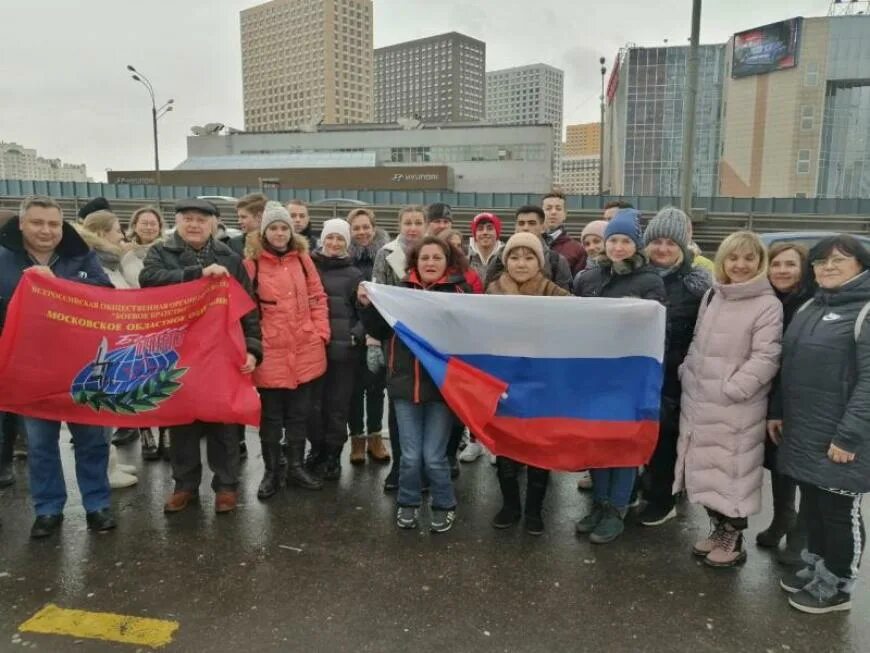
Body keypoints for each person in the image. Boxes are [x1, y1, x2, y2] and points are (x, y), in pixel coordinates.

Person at [0, 196, 116, 538]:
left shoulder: (81, 256)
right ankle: (48, 509)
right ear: (22, 223)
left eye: (53, 224)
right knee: (39, 444)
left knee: (92, 440)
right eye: (37, 223)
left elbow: (105, 295)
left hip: (80, 367)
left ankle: (97, 504)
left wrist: (57, 285)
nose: (46, 231)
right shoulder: (3, 259)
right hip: (29, 370)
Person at [140, 198, 262, 514]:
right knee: (183, 422)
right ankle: (184, 486)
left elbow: (248, 307)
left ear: (213, 224)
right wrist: (197, 273)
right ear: (177, 222)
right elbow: (149, 280)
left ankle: (226, 486)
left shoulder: (230, 258)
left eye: (201, 219)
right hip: (178, 352)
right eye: (188, 218)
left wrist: (252, 348)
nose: (194, 224)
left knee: (224, 422)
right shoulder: (160, 252)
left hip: (221, 352)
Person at [773, 235, 870, 614]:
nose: (827, 268)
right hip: (806, 428)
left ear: (860, 266)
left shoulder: (864, 312)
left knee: (839, 511)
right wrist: (778, 411)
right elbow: (789, 366)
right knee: (813, 504)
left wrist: (848, 436)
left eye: (838, 260)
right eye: (820, 262)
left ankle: (839, 585)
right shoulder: (811, 305)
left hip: (845, 436)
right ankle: (817, 565)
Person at [675, 231, 782, 567]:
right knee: (706, 469)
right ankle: (718, 526)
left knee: (732, 472)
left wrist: (735, 389)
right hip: (698, 399)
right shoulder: (713, 295)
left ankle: (733, 537)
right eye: (733, 257)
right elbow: (697, 340)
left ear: (759, 262)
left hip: (736, 405)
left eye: (749, 258)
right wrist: (687, 370)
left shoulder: (767, 303)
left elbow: (766, 357)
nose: (740, 265)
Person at [358, 236, 473, 533]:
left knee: (434, 457)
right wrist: (367, 305)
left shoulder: (462, 293)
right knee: (409, 456)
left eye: (437, 257)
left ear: (448, 262)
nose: (431, 263)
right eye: (425, 258)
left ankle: (444, 504)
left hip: (442, 390)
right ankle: (407, 503)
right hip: (405, 388)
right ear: (415, 263)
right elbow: (377, 329)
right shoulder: (399, 293)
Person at [573, 209, 666, 544]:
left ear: (636, 245)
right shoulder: (587, 279)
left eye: (626, 240)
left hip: (629, 377)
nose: (618, 246)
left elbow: (656, 331)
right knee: (596, 440)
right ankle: (599, 503)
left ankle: (617, 508)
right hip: (594, 373)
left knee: (623, 443)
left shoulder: (650, 281)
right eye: (613, 240)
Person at [486, 232, 570, 534]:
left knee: (539, 447)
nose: (521, 263)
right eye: (515, 256)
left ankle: (534, 509)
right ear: (505, 260)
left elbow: (584, 325)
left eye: (529, 256)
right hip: (504, 382)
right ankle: (510, 505)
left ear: (540, 262)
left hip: (542, 382)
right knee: (505, 446)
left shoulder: (556, 294)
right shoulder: (490, 292)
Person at [244, 202, 329, 498]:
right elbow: (247, 309)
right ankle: (271, 471)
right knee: (270, 416)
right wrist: (254, 345)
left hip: (304, 346)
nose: (280, 233)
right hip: (271, 349)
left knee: (299, 414)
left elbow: (317, 296)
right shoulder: (252, 264)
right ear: (264, 231)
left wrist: (320, 333)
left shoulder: (303, 259)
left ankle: (295, 466)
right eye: (274, 228)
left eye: (284, 228)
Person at [638, 207, 712, 526]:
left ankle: (664, 498)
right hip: (641, 373)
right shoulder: (636, 278)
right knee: (644, 434)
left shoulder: (697, 287)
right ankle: (647, 485)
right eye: (657, 241)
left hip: (677, 376)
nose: (663, 249)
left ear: (683, 247)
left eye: (671, 242)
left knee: (668, 437)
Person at [77, 210, 142, 489]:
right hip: (100, 347)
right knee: (100, 409)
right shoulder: (96, 265)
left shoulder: (111, 262)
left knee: (109, 408)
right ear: (102, 233)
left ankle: (110, 461)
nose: (122, 236)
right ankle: (104, 469)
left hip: (115, 343)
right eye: (118, 230)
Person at [759, 242, 810, 564]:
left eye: (789, 264)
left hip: (800, 397)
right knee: (779, 464)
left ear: (804, 269)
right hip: (771, 393)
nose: (781, 270)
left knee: (803, 468)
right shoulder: (770, 300)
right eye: (775, 264)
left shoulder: (809, 304)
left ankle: (800, 535)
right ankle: (783, 518)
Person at [372, 205, 427, 490]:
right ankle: (400, 466)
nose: (413, 227)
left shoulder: (433, 251)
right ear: (400, 225)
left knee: (430, 403)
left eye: (418, 222)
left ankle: (429, 466)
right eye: (408, 222)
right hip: (397, 339)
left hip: (429, 339)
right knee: (398, 405)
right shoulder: (386, 254)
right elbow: (379, 292)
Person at [307, 219, 364, 479]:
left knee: (338, 406)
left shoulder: (354, 274)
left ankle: (333, 455)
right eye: (330, 237)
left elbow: (365, 312)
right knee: (312, 406)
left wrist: (355, 335)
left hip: (343, 353)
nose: (334, 243)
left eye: (340, 239)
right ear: (322, 239)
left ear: (347, 243)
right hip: (312, 349)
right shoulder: (308, 267)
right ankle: (316, 449)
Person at [121, 206, 169, 461]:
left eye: (153, 223)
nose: (149, 227)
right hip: (133, 324)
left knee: (164, 375)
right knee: (137, 380)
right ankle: (145, 432)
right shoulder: (123, 253)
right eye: (144, 223)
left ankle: (165, 429)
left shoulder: (169, 251)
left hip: (164, 322)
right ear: (135, 225)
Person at [346, 208, 391, 465]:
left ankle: (375, 437)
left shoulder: (385, 257)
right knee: (354, 391)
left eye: (366, 227)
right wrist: (358, 331)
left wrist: (373, 331)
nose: (362, 232)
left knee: (376, 389)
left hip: (378, 332)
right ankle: (357, 440)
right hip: (353, 334)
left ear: (374, 228)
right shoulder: (345, 258)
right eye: (356, 228)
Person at [485, 206, 572, 291]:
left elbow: (564, 302)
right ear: (515, 227)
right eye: (521, 223)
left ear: (542, 228)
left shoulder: (556, 261)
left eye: (532, 223)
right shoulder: (498, 259)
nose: (525, 228)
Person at [542, 191, 586, 275]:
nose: (553, 212)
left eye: (558, 209)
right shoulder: (531, 244)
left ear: (565, 214)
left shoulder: (577, 249)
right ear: (540, 213)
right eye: (548, 208)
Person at [467, 212, 503, 282]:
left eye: (490, 228)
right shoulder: (464, 256)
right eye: (480, 229)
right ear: (475, 234)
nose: (485, 232)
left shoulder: (506, 257)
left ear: (497, 232)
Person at [230, 193, 268, 257]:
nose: (239, 221)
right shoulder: (234, 244)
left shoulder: (275, 243)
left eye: (243, 217)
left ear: (259, 217)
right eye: (239, 217)